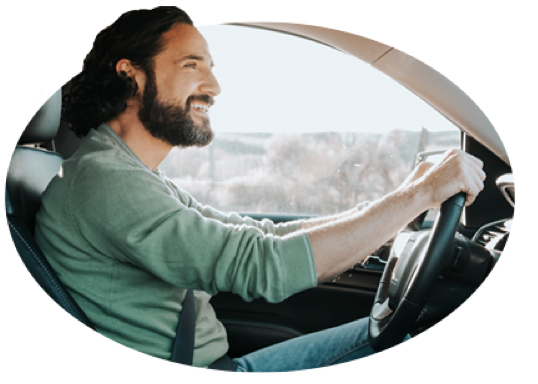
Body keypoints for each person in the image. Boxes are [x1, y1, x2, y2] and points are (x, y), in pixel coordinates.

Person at [34, 6, 486, 372]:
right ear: (131, 74)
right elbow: (261, 265)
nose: (213, 87)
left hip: (216, 363)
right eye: (192, 65)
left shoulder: (131, 175)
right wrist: (418, 196)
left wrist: (397, 205)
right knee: (421, 331)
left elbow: (257, 232)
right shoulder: (106, 183)